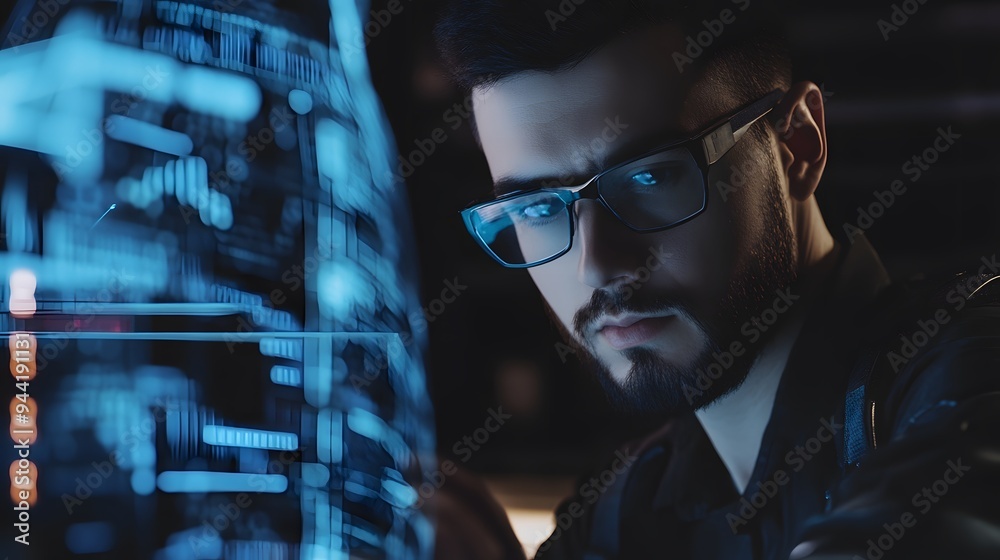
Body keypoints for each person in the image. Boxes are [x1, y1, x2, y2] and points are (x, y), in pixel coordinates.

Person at [432, 1, 1000, 559]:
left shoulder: (973, 375)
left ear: (796, 145)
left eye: (651, 177)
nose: (597, 264)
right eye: (536, 208)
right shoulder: (626, 510)